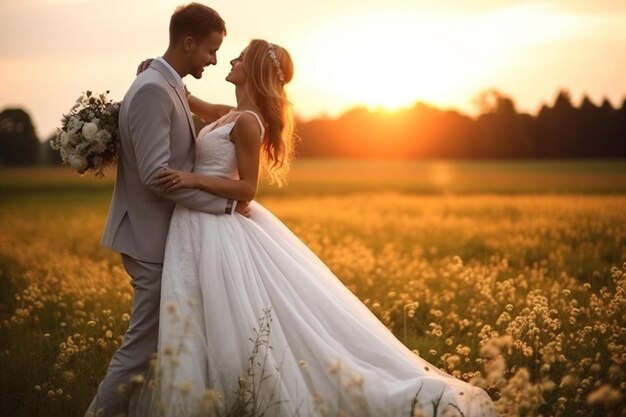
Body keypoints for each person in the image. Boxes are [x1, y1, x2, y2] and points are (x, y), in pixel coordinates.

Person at [146, 39, 498, 417]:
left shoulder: (248, 123)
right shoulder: (229, 114)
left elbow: (247, 189)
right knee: (198, 315)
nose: (230, 60)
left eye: (241, 57)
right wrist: (157, 72)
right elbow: (185, 99)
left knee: (227, 315)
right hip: (197, 222)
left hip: (219, 225)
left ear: (255, 72)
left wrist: (191, 179)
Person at [85, 4, 247, 417]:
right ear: (188, 43)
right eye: (211, 51)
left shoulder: (165, 83)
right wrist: (224, 203)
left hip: (160, 234)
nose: (214, 59)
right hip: (148, 236)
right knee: (140, 348)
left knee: (159, 346)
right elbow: (159, 175)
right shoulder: (154, 89)